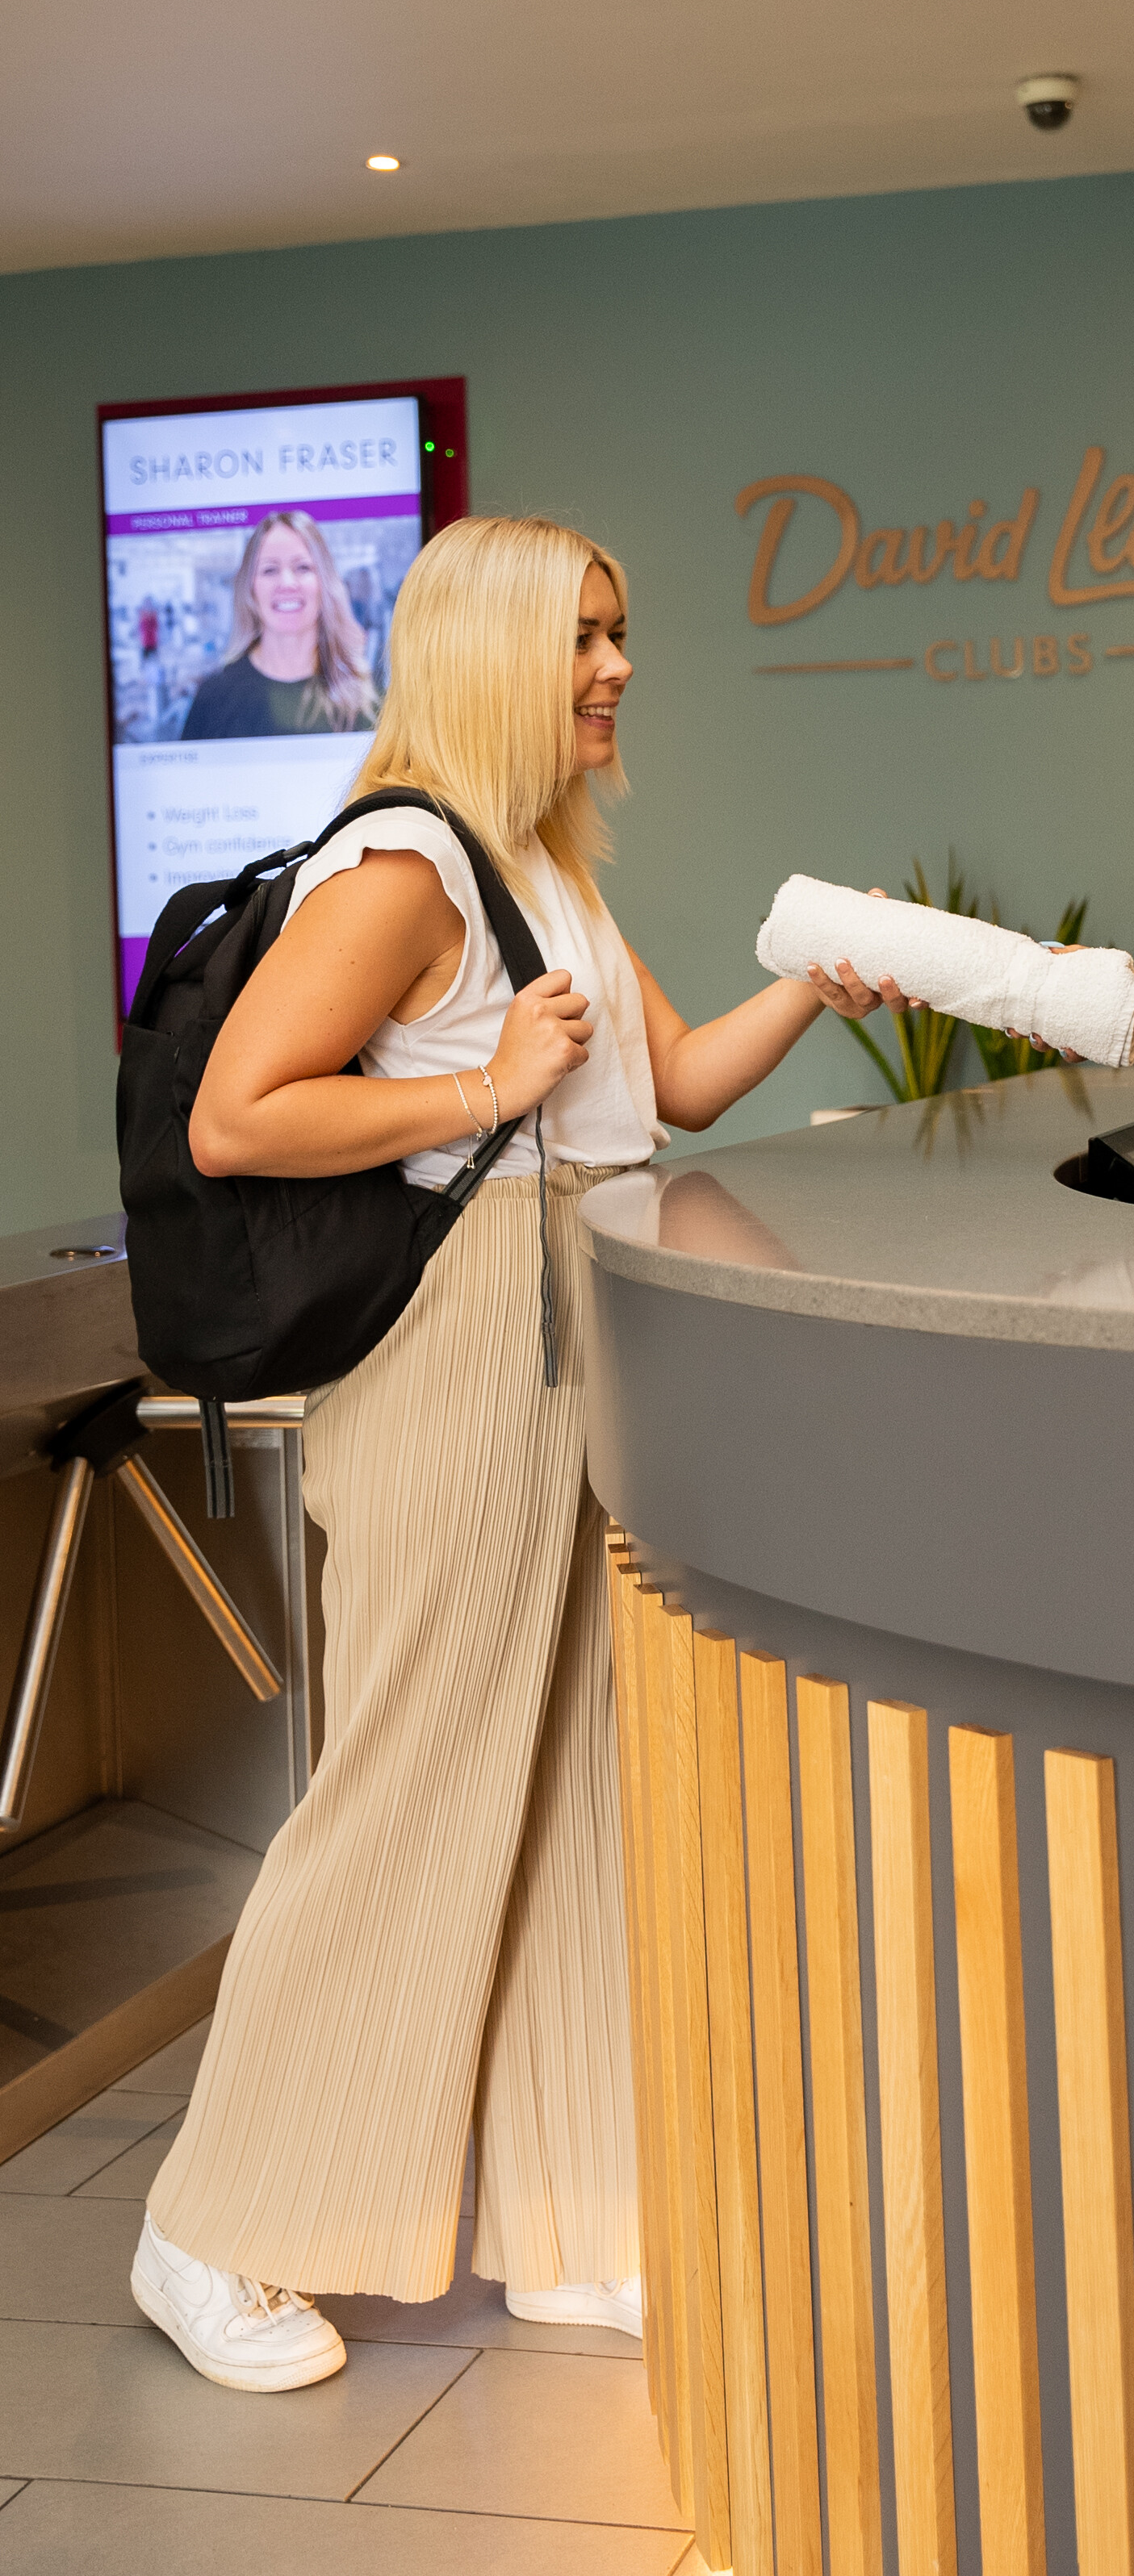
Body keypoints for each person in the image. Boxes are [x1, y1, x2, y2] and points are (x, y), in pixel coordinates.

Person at [132, 511, 908, 2391]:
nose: (619, 665)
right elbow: (243, 1113)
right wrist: (485, 1081)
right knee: (414, 1769)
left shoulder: (546, 863)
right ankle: (206, 2224)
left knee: (570, 1778)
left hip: (580, 1324)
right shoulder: (406, 861)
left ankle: (562, 2223)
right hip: (467, 1334)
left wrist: (815, 982)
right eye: (583, 634)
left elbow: (674, 1085)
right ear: (492, 649)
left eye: (621, 630)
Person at [178, 510, 380, 738]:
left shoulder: (362, 702)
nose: (287, 583)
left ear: (324, 582)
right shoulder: (214, 698)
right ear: (250, 588)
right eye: (270, 570)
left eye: (303, 568)